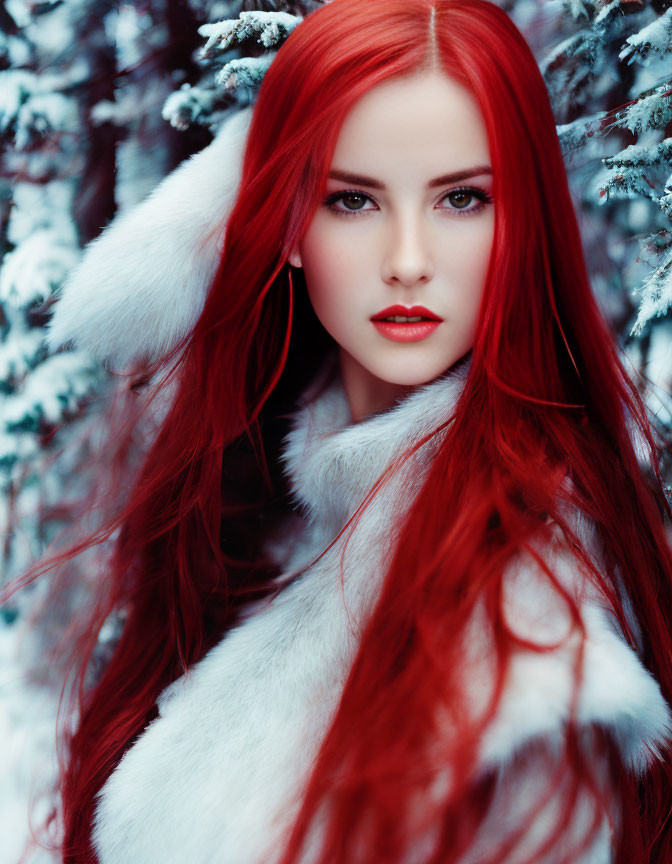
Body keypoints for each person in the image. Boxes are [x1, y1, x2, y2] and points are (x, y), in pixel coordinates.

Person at [7, 0, 672, 861]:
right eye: (353, 200)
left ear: (523, 226)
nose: (407, 257)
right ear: (287, 223)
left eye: (463, 198)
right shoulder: (261, 510)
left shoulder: (529, 628)